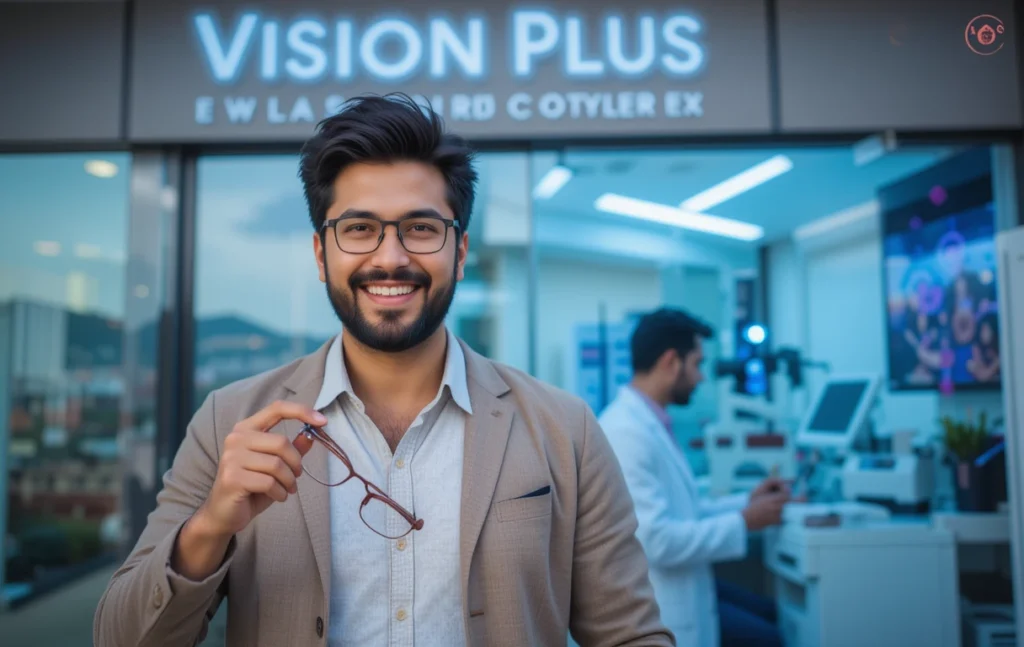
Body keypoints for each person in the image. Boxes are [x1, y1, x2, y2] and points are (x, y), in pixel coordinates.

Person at [93, 94, 673, 647]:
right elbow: (119, 638)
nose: (391, 257)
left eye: (421, 228)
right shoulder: (231, 422)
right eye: (360, 228)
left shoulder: (564, 429)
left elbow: (632, 635)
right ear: (322, 254)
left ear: (461, 252)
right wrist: (209, 528)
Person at [600, 307, 789, 647]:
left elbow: (686, 510)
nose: (702, 377)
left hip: (685, 589)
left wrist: (749, 502)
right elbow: (657, 541)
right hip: (663, 608)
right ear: (672, 361)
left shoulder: (651, 422)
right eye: (697, 364)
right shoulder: (627, 432)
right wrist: (744, 521)